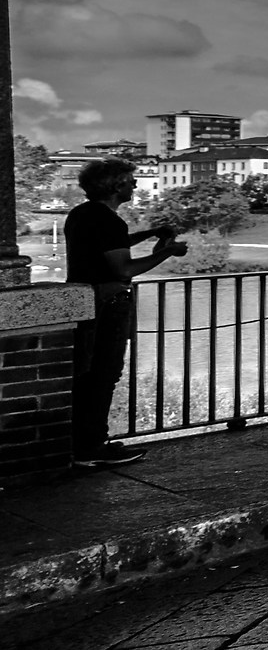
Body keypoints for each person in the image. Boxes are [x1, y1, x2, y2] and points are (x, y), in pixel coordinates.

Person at [64, 158, 187, 468]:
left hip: (83, 300)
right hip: (109, 301)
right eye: (131, 180)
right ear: (116, 185)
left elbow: (110, 245)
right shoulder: (109, 220)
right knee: (105, 373)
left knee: (87, 372)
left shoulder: (83, 214)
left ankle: (79, 443)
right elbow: (124, 269)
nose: (135, 184)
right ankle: (92, 447)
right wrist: (166, 252)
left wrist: (150, 233)